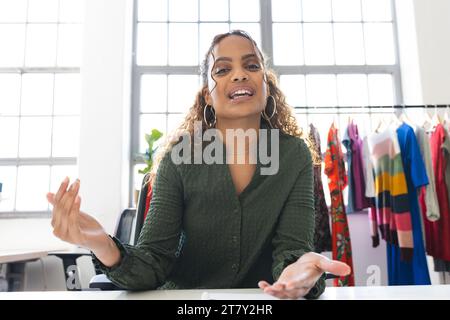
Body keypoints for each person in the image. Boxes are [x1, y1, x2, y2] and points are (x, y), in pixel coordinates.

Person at [47, 30, 350, 299]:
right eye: (222, 69)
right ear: (208, 95)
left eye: (252, 65)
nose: (240, 74)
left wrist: (299, 273)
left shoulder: (294, 155)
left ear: (266, 86)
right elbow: (153, 263)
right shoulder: (179, 159)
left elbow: (293, 251)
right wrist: (102, 244)